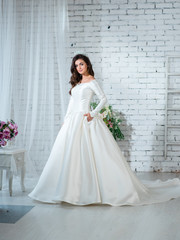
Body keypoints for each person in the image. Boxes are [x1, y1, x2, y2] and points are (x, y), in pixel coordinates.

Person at [29, 54, 180, 206]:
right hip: (72, 121)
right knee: (69, 154)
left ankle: (91, 191)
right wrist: (66, 119)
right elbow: (71, 102)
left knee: (92, 154)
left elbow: (103, 99)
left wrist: (93, 114)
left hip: (85, 118)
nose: (79, 67)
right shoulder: (77, 82)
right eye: (76, 65)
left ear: (87, 64)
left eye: (81, 64)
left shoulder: (91, 81)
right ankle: (68, 190)